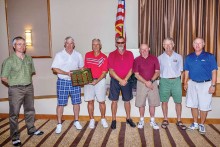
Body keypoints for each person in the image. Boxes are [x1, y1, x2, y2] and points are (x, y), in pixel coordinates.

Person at [1, 36, 44, 146]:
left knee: (30, 110)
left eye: (24, 44)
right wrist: (14, 84)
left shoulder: (29, 59)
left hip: (29, 87)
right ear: (14, 46)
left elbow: (31, 72)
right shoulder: (8, 61)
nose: (22, 46)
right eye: (19, 44)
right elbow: (4, 78)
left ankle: (31, 129)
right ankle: (15, 136)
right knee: (14, 114)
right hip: (15, 89)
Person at [184, 37, 218, 134]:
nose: (197, 45)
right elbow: (186, 71)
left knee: (204, 106)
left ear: (203, 44)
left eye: (200, 43)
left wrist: (213, 85)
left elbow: (214, 71)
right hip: (192, 83)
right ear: (193, 45)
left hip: (206, 84)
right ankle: (195, 123)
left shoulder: (210, 56)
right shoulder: (188, 57)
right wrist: (185, 82)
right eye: (195, 43)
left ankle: (202, 124)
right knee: (193, 104)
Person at [51, 36, 84, 134]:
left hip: (75, 81)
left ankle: (76, 121)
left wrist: (83, 73)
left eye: (71, 43)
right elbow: (54, 68)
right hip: (63, 81)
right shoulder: (59, 55)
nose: (69, 45)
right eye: (67, 43)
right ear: (64, 44)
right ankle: (59, 124)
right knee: (60, 103)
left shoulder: (78, 55)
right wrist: (66, 73)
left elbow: (81, 68)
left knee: (76, 102)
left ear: (74, 45)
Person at [108, 36, 136, 129]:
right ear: (116, 44)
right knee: (114, 101)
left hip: (127, 80)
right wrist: (120, 80)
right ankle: (113, 120)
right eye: (119, 43)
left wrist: (125, 79)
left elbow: (132, 69)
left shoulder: (130, 54)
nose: (120, 44)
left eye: (122, 42)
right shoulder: (111, 54)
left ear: (124, 43)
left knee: (127, 100)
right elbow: (111, 70)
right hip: (115, 80)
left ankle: (128, 118)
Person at [158, 38, 186, 130]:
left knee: (178, 101)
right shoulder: (159, 58)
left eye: (170, 44)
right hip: (164, 81)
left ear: (173, 45)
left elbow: (181, 70)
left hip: (176, 81)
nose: (168, 46)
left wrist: (177, 79)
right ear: (163, 46)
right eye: (165, 44)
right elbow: (158, 71)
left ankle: (179, 120)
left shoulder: (179, 57)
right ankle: (165, 119)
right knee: (164, 101)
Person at [133, 44, 160, 129]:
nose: (144, 51)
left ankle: (152, 120)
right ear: (139, 50)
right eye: (142, 49)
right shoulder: (136, 60)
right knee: (141, 103)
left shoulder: (154, 58)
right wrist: (146, 82)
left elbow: (157, 72)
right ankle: (141, 120)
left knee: (152, 103)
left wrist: (150, 81)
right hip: (141, 83)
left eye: (145, 49)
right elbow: (136, 75)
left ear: (149, 49)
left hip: (153, 82)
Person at [84, 38, 108, 128]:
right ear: (92, 45)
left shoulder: (104, 57)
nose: (95, 46)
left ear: (100, 45)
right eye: (94, 44)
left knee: (101, 101)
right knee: (90, 101)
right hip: (89, 81)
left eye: (97, 44)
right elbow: (86, 68)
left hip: (100, 81)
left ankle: (103, 119)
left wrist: (96, 81)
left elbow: (104, 72)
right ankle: (91, 120)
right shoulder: (87, 55)